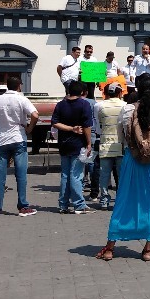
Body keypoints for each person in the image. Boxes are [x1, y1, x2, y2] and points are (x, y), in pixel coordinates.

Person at [96, 76, 150, 262]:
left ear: (137, 90)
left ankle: (110, 247)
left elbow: (121, 136)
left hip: (133, 158)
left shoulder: (128, 109)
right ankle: (147, 249)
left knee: (125, 199)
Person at [0, 76, 39, 217]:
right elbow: (35, 114)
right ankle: (22, 206)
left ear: (7, 86)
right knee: (21, 175)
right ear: (19, 86)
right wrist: (29, 129)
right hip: (18, 138)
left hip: (2, 140)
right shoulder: (21, 99)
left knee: (0, 174)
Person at [52, 81, 95, 214]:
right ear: (82, 92)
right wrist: (89, 143)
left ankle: (63, 204)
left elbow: (55, 123)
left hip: (64, 143)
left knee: (65, 174)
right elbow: (87, 126)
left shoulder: (61, 104)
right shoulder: (84, 104)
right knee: (76, 174)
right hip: (78, 144)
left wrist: (70, 129)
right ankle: (79, 205)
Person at [91, 82, 127, 207]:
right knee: (122, 174)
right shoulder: (125, 106)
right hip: (121, 143)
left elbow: (97, 129)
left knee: (104, 174)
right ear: (119, 93)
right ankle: (121, 199)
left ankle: (104, 200)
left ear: (106, 93)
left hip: (105, 142)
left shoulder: (98, 106)